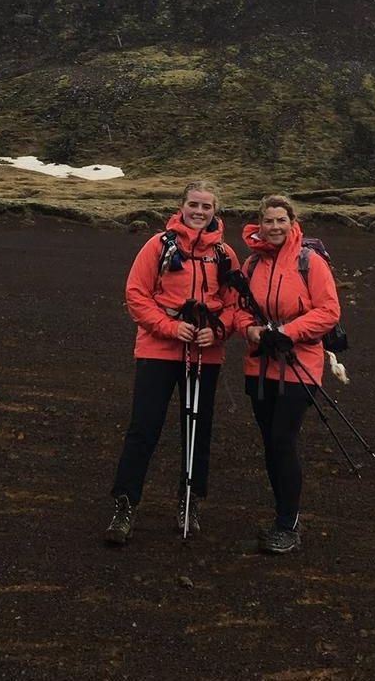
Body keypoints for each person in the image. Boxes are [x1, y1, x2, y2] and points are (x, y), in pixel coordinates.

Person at [104, 180, 238, 546]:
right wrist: (168, 327)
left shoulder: (224, 254)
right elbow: (136, 294)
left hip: (205, 353)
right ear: (181, 206)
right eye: (193, 204)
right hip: (158, 350)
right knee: (143, 427)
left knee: (197, 431)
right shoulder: (158, 246)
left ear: (216, 211)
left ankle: (189, 502)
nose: (199, 211)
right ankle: (125, 504)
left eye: (206, 206)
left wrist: (221, 330)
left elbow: (233, 303)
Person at [235, 194, 341, 555]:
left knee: (282, 440)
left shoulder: (310, 263)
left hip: (301, 367)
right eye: (269, 221)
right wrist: (251, 331)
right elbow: (240, 311)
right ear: (259, 224)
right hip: (259, 366)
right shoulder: (251, 265)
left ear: (292, 223)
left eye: (282, 220)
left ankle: (287, 525)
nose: (275, 227)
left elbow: (329, 311)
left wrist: (288, 333)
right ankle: (284, 517)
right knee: (271, 444)